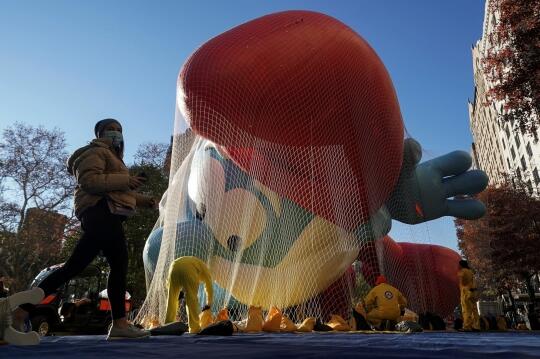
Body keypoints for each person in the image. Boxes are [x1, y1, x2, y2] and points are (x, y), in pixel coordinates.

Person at [14, 118, 155, 339]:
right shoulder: (93, 152)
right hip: (100, 212)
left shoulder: (114, 159)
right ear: (99, 134)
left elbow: (118, 191)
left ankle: (20, 311)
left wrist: (146, 200)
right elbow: (90, 182)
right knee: (107, 266)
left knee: (81, 267)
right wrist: (126, 180)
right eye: (110, 129)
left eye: (119, 130)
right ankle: (19, 313)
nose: (115, 133)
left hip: (109, 214)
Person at [165, 256, 214, 333]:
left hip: (173, 266)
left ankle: (168, 325)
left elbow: (168, 281)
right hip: (188, 270)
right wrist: (209, 303)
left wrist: (174, 290)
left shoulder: (197, 262)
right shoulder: (206, 271)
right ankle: (194, 328)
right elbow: (209, 287)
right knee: (192, 299)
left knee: (172, 299)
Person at [458, 259, 480, 331]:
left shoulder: (462, 272)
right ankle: (476, 326)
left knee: (466, 309)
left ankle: (467, 326)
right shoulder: (471, 272)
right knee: (474, 309)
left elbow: (461, 282)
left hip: (466, 292)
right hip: (473, 291)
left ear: (461, 265)